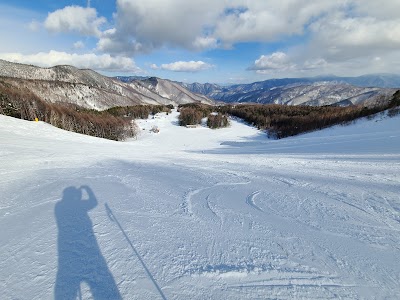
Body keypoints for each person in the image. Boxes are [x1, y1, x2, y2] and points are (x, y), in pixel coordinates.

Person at [54, 186, 121, 300]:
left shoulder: (59, 206)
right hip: (84, 247)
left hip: (66, 249)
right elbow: (93, 202)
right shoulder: (79, 205)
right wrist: (86, 189)